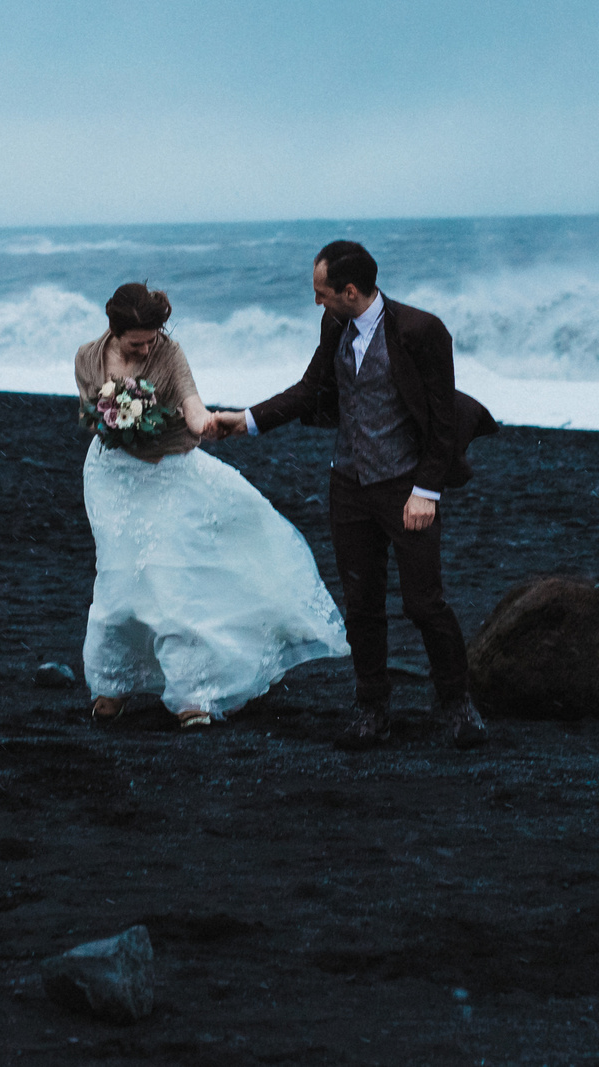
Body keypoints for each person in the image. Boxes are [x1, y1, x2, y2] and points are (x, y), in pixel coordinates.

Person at [204, 240, 499, 751]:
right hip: (348, 485)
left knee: (424, 604)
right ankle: (372, 710)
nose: (316, 302)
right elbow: (310, 387)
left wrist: (426, 491)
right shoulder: (335, 325)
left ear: (350, 291)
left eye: (322, 294)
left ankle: (456, 704)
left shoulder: (420, 332)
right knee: (361, 606)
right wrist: (247, 420)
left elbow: (443, 421)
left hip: (406, 485)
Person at [73, 282, 349, 729]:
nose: (147, 349)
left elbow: (191, 403)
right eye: (137, 343)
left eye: (152, 339)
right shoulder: (87, 357)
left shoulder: (170, 353)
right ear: (115, 331)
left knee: (170, 579)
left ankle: (192, 695)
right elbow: (92, 414)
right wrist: (117, 421)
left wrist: (212, 422)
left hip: (171, 472)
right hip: (112, 479)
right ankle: (112, 684)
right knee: (118, 580)